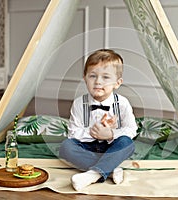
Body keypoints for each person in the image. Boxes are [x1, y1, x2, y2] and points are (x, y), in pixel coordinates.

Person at [59, 49, 138, 191]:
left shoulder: (122, 103)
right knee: (66, 147)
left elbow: (132, 130)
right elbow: (73, 133)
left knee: (127, 143)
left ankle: (92, 174)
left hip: (111, 146)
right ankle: (110, 168)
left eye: (106, 77)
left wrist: (110, 134)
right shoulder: (79, 103)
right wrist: (94, 132)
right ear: (85, 78)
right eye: (92, 76)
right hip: (87, 147)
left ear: (117, 83)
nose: (98, 82)